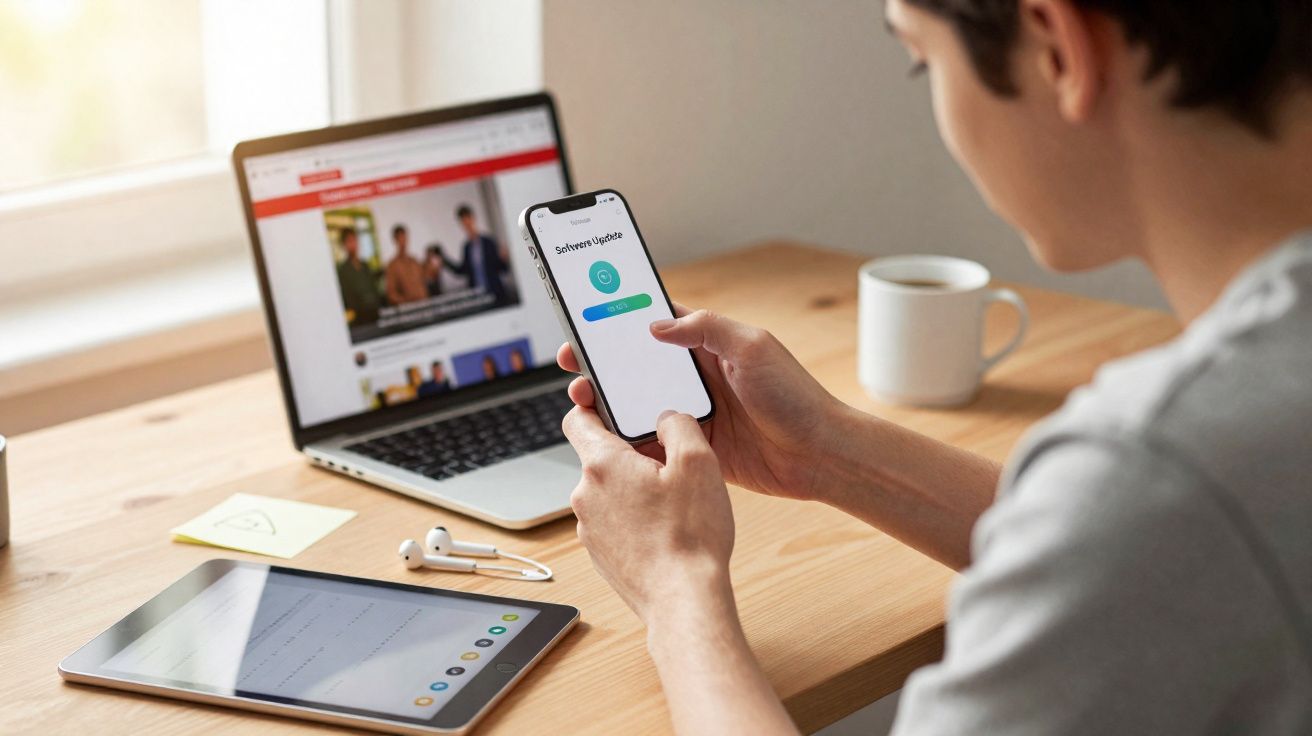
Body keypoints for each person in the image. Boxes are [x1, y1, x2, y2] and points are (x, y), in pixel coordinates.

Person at [555, 1, 1312, 734]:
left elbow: (1137, 521)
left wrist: (675, 589)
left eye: (923, 62)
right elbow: (1152, 561)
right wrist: (825, 449)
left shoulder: (1161, 466)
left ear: (1056, 47)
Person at [447, 204, 513, 305]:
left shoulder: (488, 242)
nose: (466, 224)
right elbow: (462, 270)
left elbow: (502, 268)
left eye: (467, 219)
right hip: (478, 296)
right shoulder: (467, 247)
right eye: (463, 221)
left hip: (495, 293)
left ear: (473, 218)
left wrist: (505, 259)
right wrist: (444, 260)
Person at [334, 228, 381, 325]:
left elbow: (374, 288)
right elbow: (347, 297)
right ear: (344, 245)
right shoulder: (343, 270)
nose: (353, 244)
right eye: (349, 241)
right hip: (360, 318)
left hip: (376, 313)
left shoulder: (365, 265)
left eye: (354, 240)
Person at [384, 224, 428, 305]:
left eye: (404, 237)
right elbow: (391, 293)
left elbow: (425, 280)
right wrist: (406, 303)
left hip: (424, 305)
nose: (403, 241)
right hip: (409, 310)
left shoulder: (414, 261)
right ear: (395, 240)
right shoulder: (392, 266)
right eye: (400, 238)